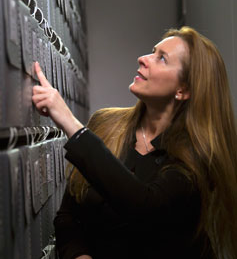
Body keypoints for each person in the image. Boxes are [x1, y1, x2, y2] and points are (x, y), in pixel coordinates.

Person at [32, 26, 237, 259]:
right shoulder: (105, 124)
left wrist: (70, 123)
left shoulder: (196, 160)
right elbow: (68, 215)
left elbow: (144, 208)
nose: (143, 59)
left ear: (183, 89)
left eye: (161, 58)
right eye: (152, 51)